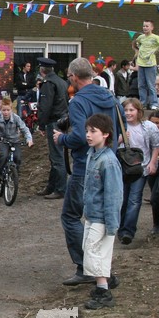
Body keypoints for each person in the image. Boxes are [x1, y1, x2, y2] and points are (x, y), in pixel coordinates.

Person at [53, 57, 123, 285]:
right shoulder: (110, 97)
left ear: (74, 77)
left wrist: (61, 139)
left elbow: (79, 137)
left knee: (71, 216)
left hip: (86, 165)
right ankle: (100, 269)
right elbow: (121, 127)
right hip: (109, 161)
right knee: (99, 218)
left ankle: (86, 267)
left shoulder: (78, 102)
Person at [80, 113, 124, 309]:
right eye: (87, 131)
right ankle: (106, 278)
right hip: (92, 213)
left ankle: (103, 291)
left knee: (94, 252)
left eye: (93, 131)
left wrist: (112, 223)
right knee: (90, 249)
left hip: (102, 217)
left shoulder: (108, 161)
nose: (88, 135)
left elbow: (114, 195)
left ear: (105, 134)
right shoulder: (92, 155)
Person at [117, 97, 159, 245]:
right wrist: (119, 139)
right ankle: (120, 228)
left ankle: (128, 231)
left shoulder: (148, 127)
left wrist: (152, 162)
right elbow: (108, 144)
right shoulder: (119, 126)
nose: (128, 113)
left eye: (131, 110)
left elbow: (156, 144)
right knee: (122, 199)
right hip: (122, 168)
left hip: (140, 168)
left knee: (134, 199)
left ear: (138, 111)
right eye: (125, 110)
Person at [36, 57, 68, 199]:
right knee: (56, 155)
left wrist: (41, 124)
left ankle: (60, 189)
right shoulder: (62, 82)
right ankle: (51, 186)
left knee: (57, 157)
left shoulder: (48, 83)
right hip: (63, 121)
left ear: (42, 70)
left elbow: (45, 106)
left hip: (53, 121)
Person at [0, 97, 33, 184]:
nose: (6, 112)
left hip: (15, 141)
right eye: (4, 110)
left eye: (8, 110)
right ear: (0, 110)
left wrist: (29, 139)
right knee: (4, 155)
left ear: (11, 109)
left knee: (18, 158)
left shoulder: (16, 118)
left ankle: (15, 176)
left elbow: (25, 129)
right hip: (3, 141)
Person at [132, 20, 159, 109]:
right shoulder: (141, 37)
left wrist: (156, 50)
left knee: (151, 84)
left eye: (147, 26)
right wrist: (140, 50)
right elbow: (136, 43)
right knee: (141, 85)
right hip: (141, 63)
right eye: (144, 26)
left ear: (152, 27)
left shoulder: (155, 37)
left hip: (150, 64)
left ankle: (154, 103)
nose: (145, 28)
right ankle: (143, 103)